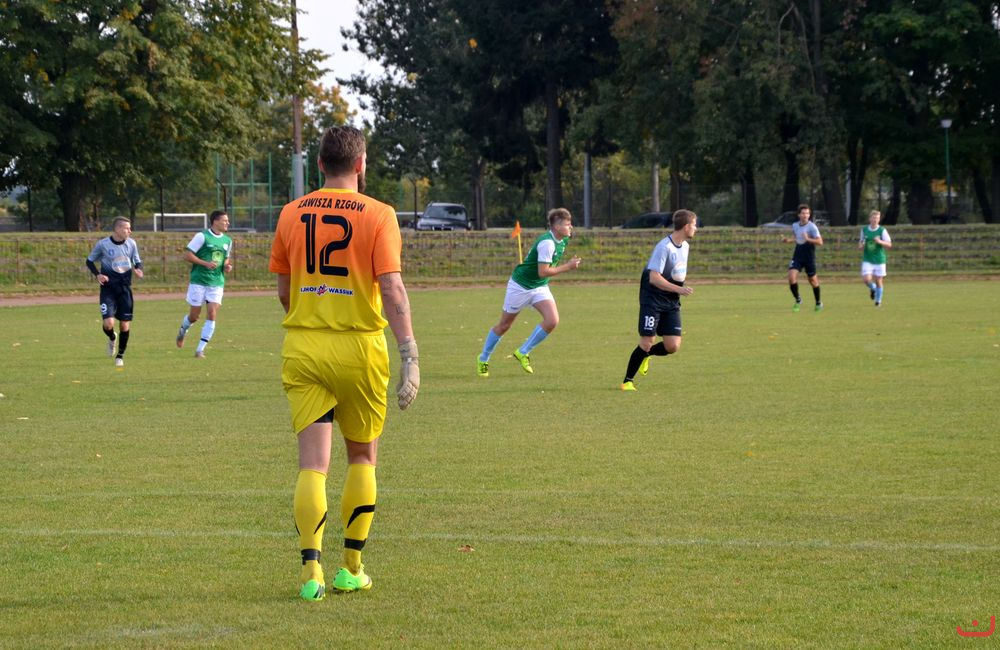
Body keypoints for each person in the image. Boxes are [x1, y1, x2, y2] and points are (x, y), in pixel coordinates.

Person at [269, 125, 419, 602]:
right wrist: (409, 352)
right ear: (360, 164)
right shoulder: (379, 213)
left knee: (313, 466)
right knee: (362, 457)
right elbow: (391, 286)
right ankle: (351, 568)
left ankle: (310, 575)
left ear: (319, 165)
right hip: (359, 347)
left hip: (304, 347)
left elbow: (284, 291)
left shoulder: (291, 213)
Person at [476, 208, 581, 377]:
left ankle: (523, 352)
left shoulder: (562, 239)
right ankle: (483, 358)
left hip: (539, 287)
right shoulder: (547, 243)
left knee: (552, 320)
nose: (571, 227)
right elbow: (543, 271)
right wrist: (568, 266)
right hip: (520, 286)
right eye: (568, 224)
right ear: (556, 227)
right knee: (504, 325)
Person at [620, 209, 698, 391]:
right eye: (694, 225)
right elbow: (654, 278)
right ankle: (627, 381)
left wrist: (677, 290)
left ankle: (647, 355)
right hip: (653, 300)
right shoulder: (664, 247)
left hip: (671, 301)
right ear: (686, 226)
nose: (696, 228)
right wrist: (679, 289)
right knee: (647, 340)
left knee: (672, 346)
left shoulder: (685, 246)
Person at [85, 217, 144, 368]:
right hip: (108, 289)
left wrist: (139, 269)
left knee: (124, 325)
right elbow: (89, 261)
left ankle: (120, 356)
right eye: (127, 228)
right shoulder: (103, 244)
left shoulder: (131, 243)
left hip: (124, 289)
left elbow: (137, 261)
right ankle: (112, 337)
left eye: (130, 228)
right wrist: (98, 275)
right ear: (117, 229)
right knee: (108, 323)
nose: (130, 231)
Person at [175, 210, 234, 357]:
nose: (228, 223)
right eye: (225, 220)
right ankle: (183, 330)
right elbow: (188, 255)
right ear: (215, 221)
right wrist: (205, 263)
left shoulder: (228, 241)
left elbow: (225, 259)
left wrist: (226, 266)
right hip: (199, 281)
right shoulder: (202, 236)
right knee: (194, 316)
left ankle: (200, 349)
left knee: (212, 313)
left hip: (216, 282)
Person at [781, 203, 824, 312]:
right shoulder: (795, 225)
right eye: (803, 213)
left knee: (812, 280)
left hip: (809, 256)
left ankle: (818, 302)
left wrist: (808, 239)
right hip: (798, 255)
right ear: (799, 214)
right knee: (791, 277)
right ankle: (798, 299)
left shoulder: (812, 227)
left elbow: (820, 242)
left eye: (807, 213)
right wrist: (788, 240)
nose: (805, 215)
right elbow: (797, 238)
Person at [858, 209, 892, 306]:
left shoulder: (882, 230)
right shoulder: (864, 230)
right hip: (867, 259)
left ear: (879, 219)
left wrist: (880, 241)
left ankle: (878, 302)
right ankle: (873, 289)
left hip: (879, 259)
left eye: (877, 218)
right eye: (873, 218)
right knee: (866, 279)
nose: (875, 220)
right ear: (870, 219)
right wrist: (861, 245)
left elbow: (889, 244)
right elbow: (860, 243)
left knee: (878, 280)